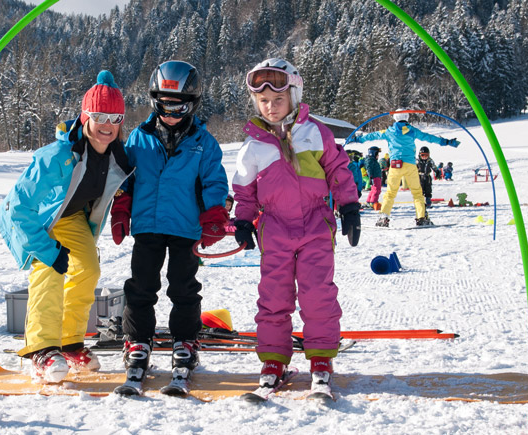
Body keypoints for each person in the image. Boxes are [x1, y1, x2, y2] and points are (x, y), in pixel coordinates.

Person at [232, 58, 361, 398]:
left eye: (278, 99)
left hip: (315, 225)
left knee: (318, 294)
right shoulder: (253, 146)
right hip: (274, 228)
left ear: (293, 95)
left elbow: (339, 169)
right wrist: (243, 221)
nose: (271, 107)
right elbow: (244, 191)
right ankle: (274, 360)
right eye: (263, 101)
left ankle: (320, 360)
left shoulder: (315, 132)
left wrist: (349, 206)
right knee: (274, 296)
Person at [0, 71, 133, 383]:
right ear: (86, 116)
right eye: (99, 116)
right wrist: (45, 249)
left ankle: (70, 343)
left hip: (71, 218)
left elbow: (129, 183)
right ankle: (42, 349)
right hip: (38, 219)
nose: (106, 125)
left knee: (87, 268)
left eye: (115, 117)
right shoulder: (57, 157)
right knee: (51, 267)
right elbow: (16, 207)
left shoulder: (116, 157)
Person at [109, 60, 229, 389]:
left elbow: (214, 183)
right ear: (154, 102)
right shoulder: (139, 138)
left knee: (183, 287)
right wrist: (120, 207)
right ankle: (137, 341)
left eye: (180, 107)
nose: (172, 114)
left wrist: (215, 213)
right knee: (141, 286)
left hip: (185, 228)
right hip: (147, 225)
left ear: (192, 105)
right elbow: (125, 179)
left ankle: (186, 340)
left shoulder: (204, 143)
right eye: (165, 106)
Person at [349, 109, 459, 227]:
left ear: (395, 118)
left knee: (390, 193)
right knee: (417, 192)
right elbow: (428, 137)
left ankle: (383, 217)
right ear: (407, 118)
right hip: (410, 165)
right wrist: (446, 142)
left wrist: (356, 139)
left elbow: (372, 135)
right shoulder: (412, 130)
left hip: (395, 165)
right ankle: (421, 217)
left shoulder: (389, 131)